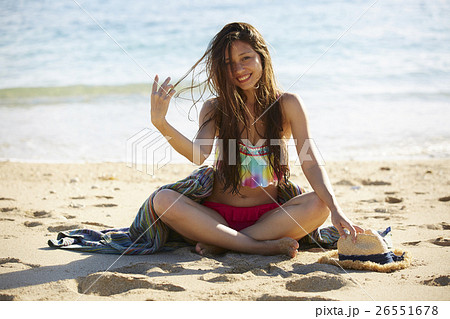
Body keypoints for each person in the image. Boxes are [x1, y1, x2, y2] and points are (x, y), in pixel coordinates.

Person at [150, 22, 363, 258]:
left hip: (269, 219)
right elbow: (197, 154)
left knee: (320, 204)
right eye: (229, 63)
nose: (238, 69)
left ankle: (226, 243)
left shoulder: (287, 104)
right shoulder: (215, 108)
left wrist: (336, 209)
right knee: (163, 200)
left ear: (262, 57)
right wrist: (161, 123)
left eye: (245, 58)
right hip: (216, 217)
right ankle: (256, 247)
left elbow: (310, 162)